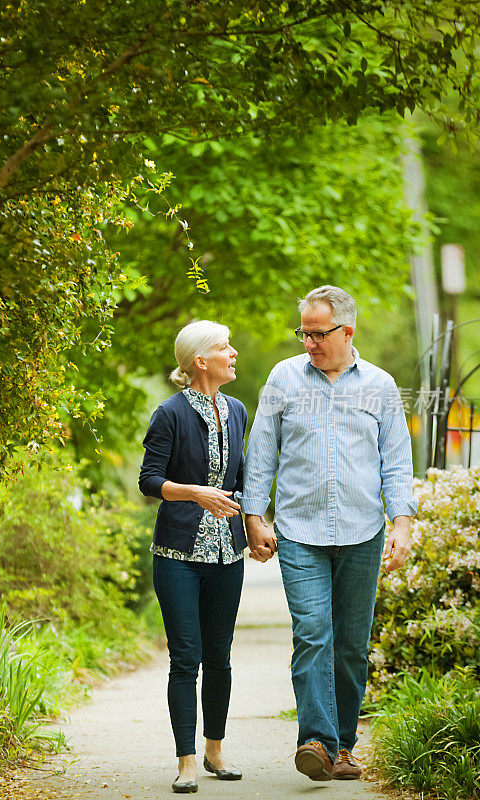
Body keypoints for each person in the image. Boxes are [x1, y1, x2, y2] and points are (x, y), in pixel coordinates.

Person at [241, 285, 416, 782]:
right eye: (304, 333)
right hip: (300, 531)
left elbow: (396, 460)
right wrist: (255, 517)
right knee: (313, 634)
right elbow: (262, 453)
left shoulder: (380, 385)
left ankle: (341, 748)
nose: (309, 342)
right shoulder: (282, 379)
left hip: (363, 531)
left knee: (351, 647)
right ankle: (316, 740)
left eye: (318, 334)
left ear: (348, 331)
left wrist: (401, 521)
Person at [138, 320, 247, 794]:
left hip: (227, 553)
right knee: (186, 658)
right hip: (178, 554)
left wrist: (256, 528)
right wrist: (195, 494)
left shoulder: (238, 410)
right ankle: (186, 761)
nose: (233, 352)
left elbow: (241, 478)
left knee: (219, 657)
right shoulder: (170, 413)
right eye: (225, 347)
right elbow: (149, 480)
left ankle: (215, 749)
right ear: (201, 360)